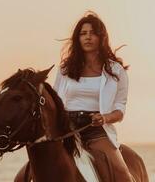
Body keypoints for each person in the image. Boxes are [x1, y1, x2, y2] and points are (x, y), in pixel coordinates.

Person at [53, 12, 133, 182]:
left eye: (93, 33)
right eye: (83, 33)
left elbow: (120, 110)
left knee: (122, 174)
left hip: (96, 129)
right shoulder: (65, 69)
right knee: (28, 172)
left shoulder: (116, 71)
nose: (88, 37)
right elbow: (55, 102)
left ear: (101, 37)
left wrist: (104, 118)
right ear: (77, 38)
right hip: (66, 129)